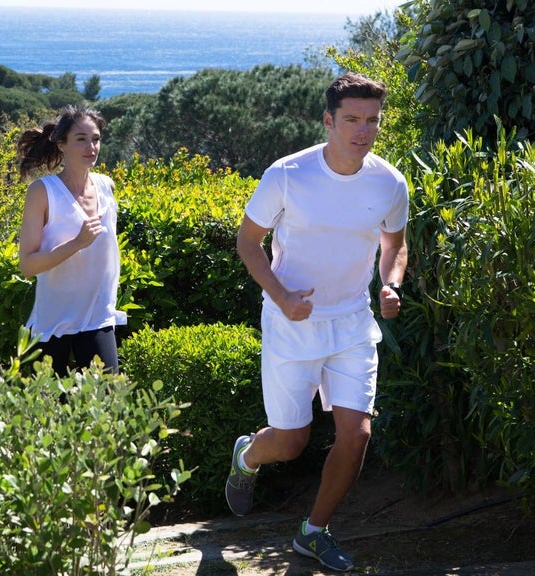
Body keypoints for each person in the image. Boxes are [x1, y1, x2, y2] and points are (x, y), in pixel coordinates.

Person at [226, 72, 409, 572]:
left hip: (352, 321)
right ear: (329, 120)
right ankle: (247, 456)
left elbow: (394, 244)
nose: (363, 130)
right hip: (292, 323)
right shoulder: (287, 174)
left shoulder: (390, 182)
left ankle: (313, 532)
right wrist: (282, 295)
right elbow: (248, 242)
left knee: (357, 434)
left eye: (372, 121)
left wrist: (390, 282)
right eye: (351, 119)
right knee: (291, 441)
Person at [16, 105, 126, 376]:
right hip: (53, 324)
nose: (91, 147)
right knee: (49, 412)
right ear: (62, 144)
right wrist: (77, 243)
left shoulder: (106, 186)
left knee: (107, 403)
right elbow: (27, 266)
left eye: (96, 139)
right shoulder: (42, 191)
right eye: (81, 139)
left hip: (98, 318)